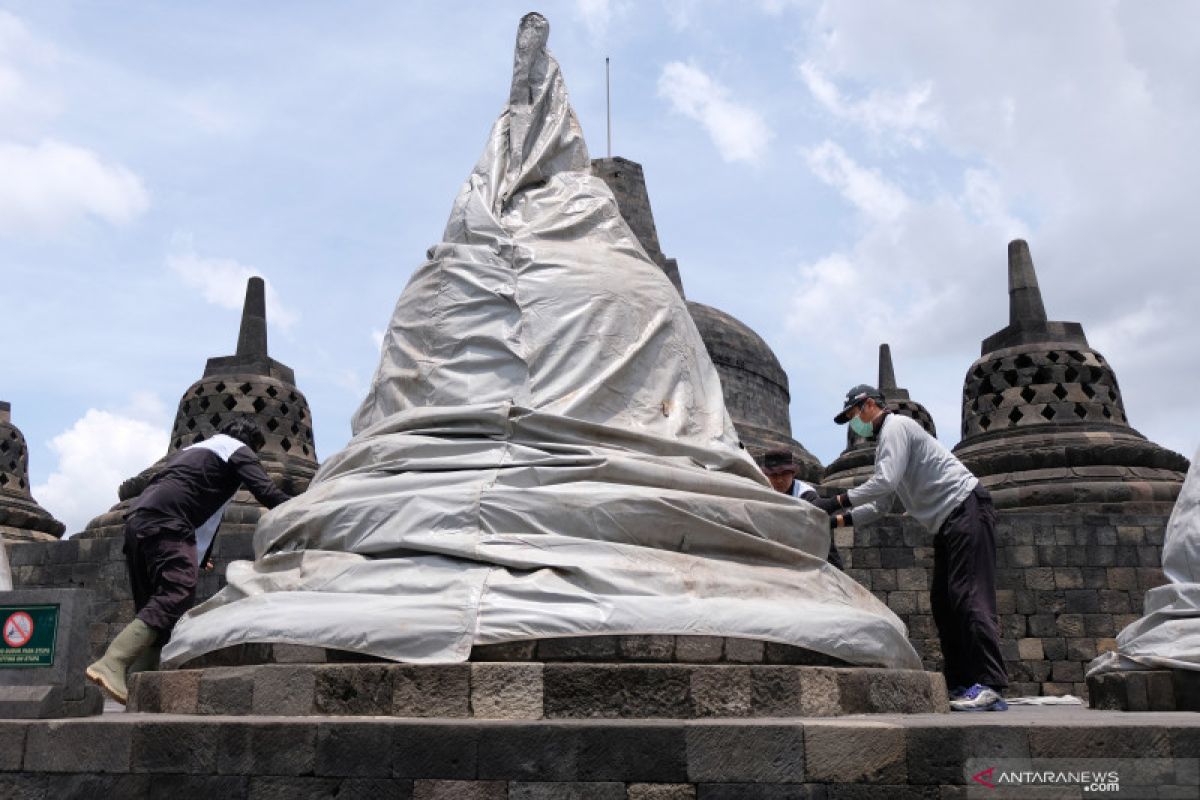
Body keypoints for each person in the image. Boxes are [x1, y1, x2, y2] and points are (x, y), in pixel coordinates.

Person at [811, 385, 1008, 712]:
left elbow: (884, 483)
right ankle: (961, 684)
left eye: (853, 416)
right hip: (949, 521)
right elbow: (882, 505)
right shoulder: (887, 444)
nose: (853, 425)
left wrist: (835, 500)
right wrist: (835, 521)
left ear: (869, 405)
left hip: (966, 507)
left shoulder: (896, 427)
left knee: (968, 596)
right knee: (944, 603)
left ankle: (990, 685)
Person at [86, 416, 292, 704]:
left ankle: (140, 689)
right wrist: (303, 508)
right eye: (255, 451)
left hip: (139, 522)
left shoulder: (194, 452)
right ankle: (112, 663)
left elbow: (198, 500)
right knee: (176, 593)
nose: (253, 457)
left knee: (155, 607)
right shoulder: (236, 449)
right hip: (169, 524)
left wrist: (201, 555)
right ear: (249, 443)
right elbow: (266, 491)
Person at [761, 449, 844, 569]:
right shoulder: (763, 492)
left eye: (784, 474)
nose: (779, 480)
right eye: (774, 475)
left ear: (792, 474)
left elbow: (816, 510)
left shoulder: (805, 493)